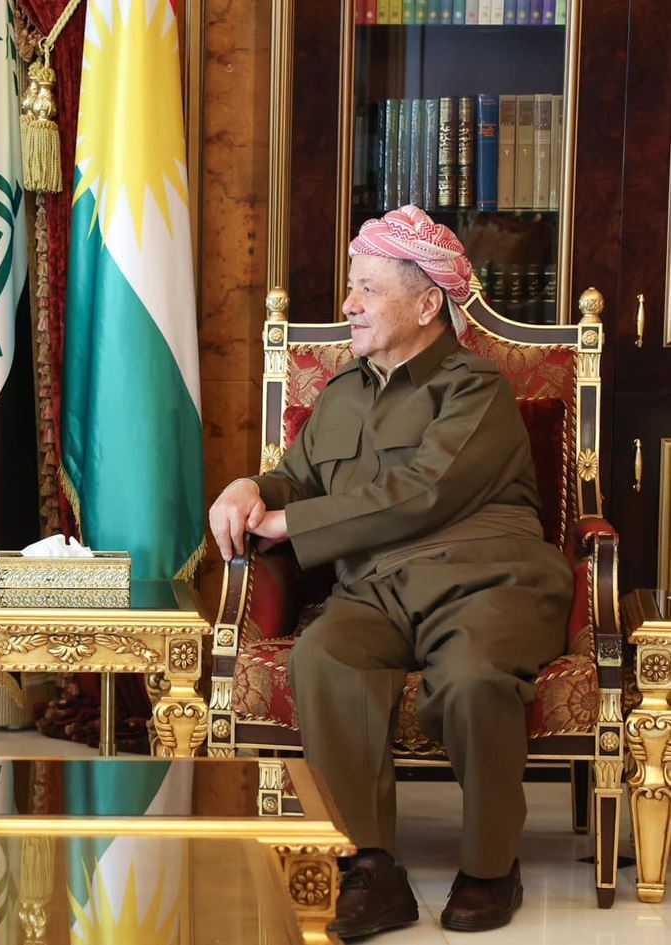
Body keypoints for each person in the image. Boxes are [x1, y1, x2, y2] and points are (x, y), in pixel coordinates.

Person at [208, 206, 571, 937]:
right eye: (352, 287)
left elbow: (425, 490)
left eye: (368, 289)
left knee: (472, 679)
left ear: (427, 303)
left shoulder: (475, 388)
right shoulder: (343, 390)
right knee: (325, 654)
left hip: (486, 581)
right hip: (376, 589)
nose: (348, 304)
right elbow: (297, 479)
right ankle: (367, 869)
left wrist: (295, 524)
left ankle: (490, 867)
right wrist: (252, 488)